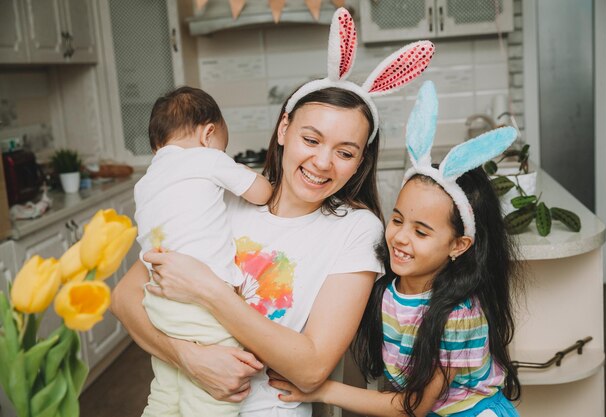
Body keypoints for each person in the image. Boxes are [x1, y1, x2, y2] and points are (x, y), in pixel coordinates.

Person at [111, 8, 434, 417]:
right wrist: (188, 358)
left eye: (345, 152)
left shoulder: (357, 229)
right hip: (183, 394)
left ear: (359, 163)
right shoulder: (218, 195)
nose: (322, 162)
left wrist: (209, 291)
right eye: (311, 139)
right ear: (284, 130)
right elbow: (124, 298)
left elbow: (313, 367)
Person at [269, 82, 522, 417]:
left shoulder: (456, 315)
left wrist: (323, 389)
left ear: (458, 246)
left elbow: (412, 406)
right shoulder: (389, 291)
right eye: (398, 220)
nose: (401, 238)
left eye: (421, 231)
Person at [134, 86, 273, 417]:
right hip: (201, 306)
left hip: (158, 300)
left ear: (158, 146)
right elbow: (262, 193)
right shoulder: (207, 157)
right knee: (210, 402)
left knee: (166, 391)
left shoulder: (147, 180)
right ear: (208, 133)